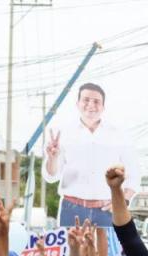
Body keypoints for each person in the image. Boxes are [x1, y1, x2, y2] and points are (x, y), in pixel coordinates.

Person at [44, 83, 139, 239]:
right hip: (71, 208)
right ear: (78, 103)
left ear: (103, 106)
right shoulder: (63, 132)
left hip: (107, 210)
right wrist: (52, 157)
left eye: (96, 101)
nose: (91, 105)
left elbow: (134, 175)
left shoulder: (118, 134)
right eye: (86, 100)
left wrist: (124, 201)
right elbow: (51, 176)